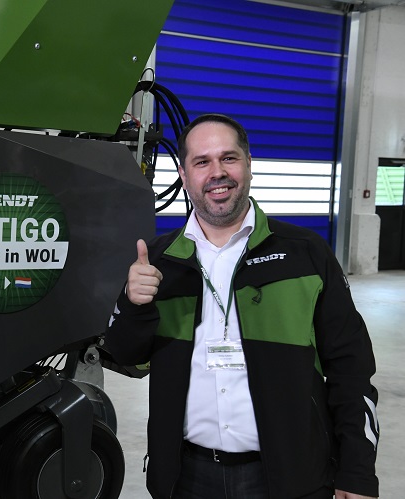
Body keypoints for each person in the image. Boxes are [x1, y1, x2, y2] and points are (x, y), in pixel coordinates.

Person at [105, 114, 379, 499]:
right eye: (202, 162)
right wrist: (133, 304)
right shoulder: (159, 261)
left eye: (228, 158)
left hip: (291, 476)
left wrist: (357, 471)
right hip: (186, 478)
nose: (217, 172)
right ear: (184, 175)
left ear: (249, 163)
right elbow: (125, 356)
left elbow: (350, 369)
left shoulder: (306, 254)